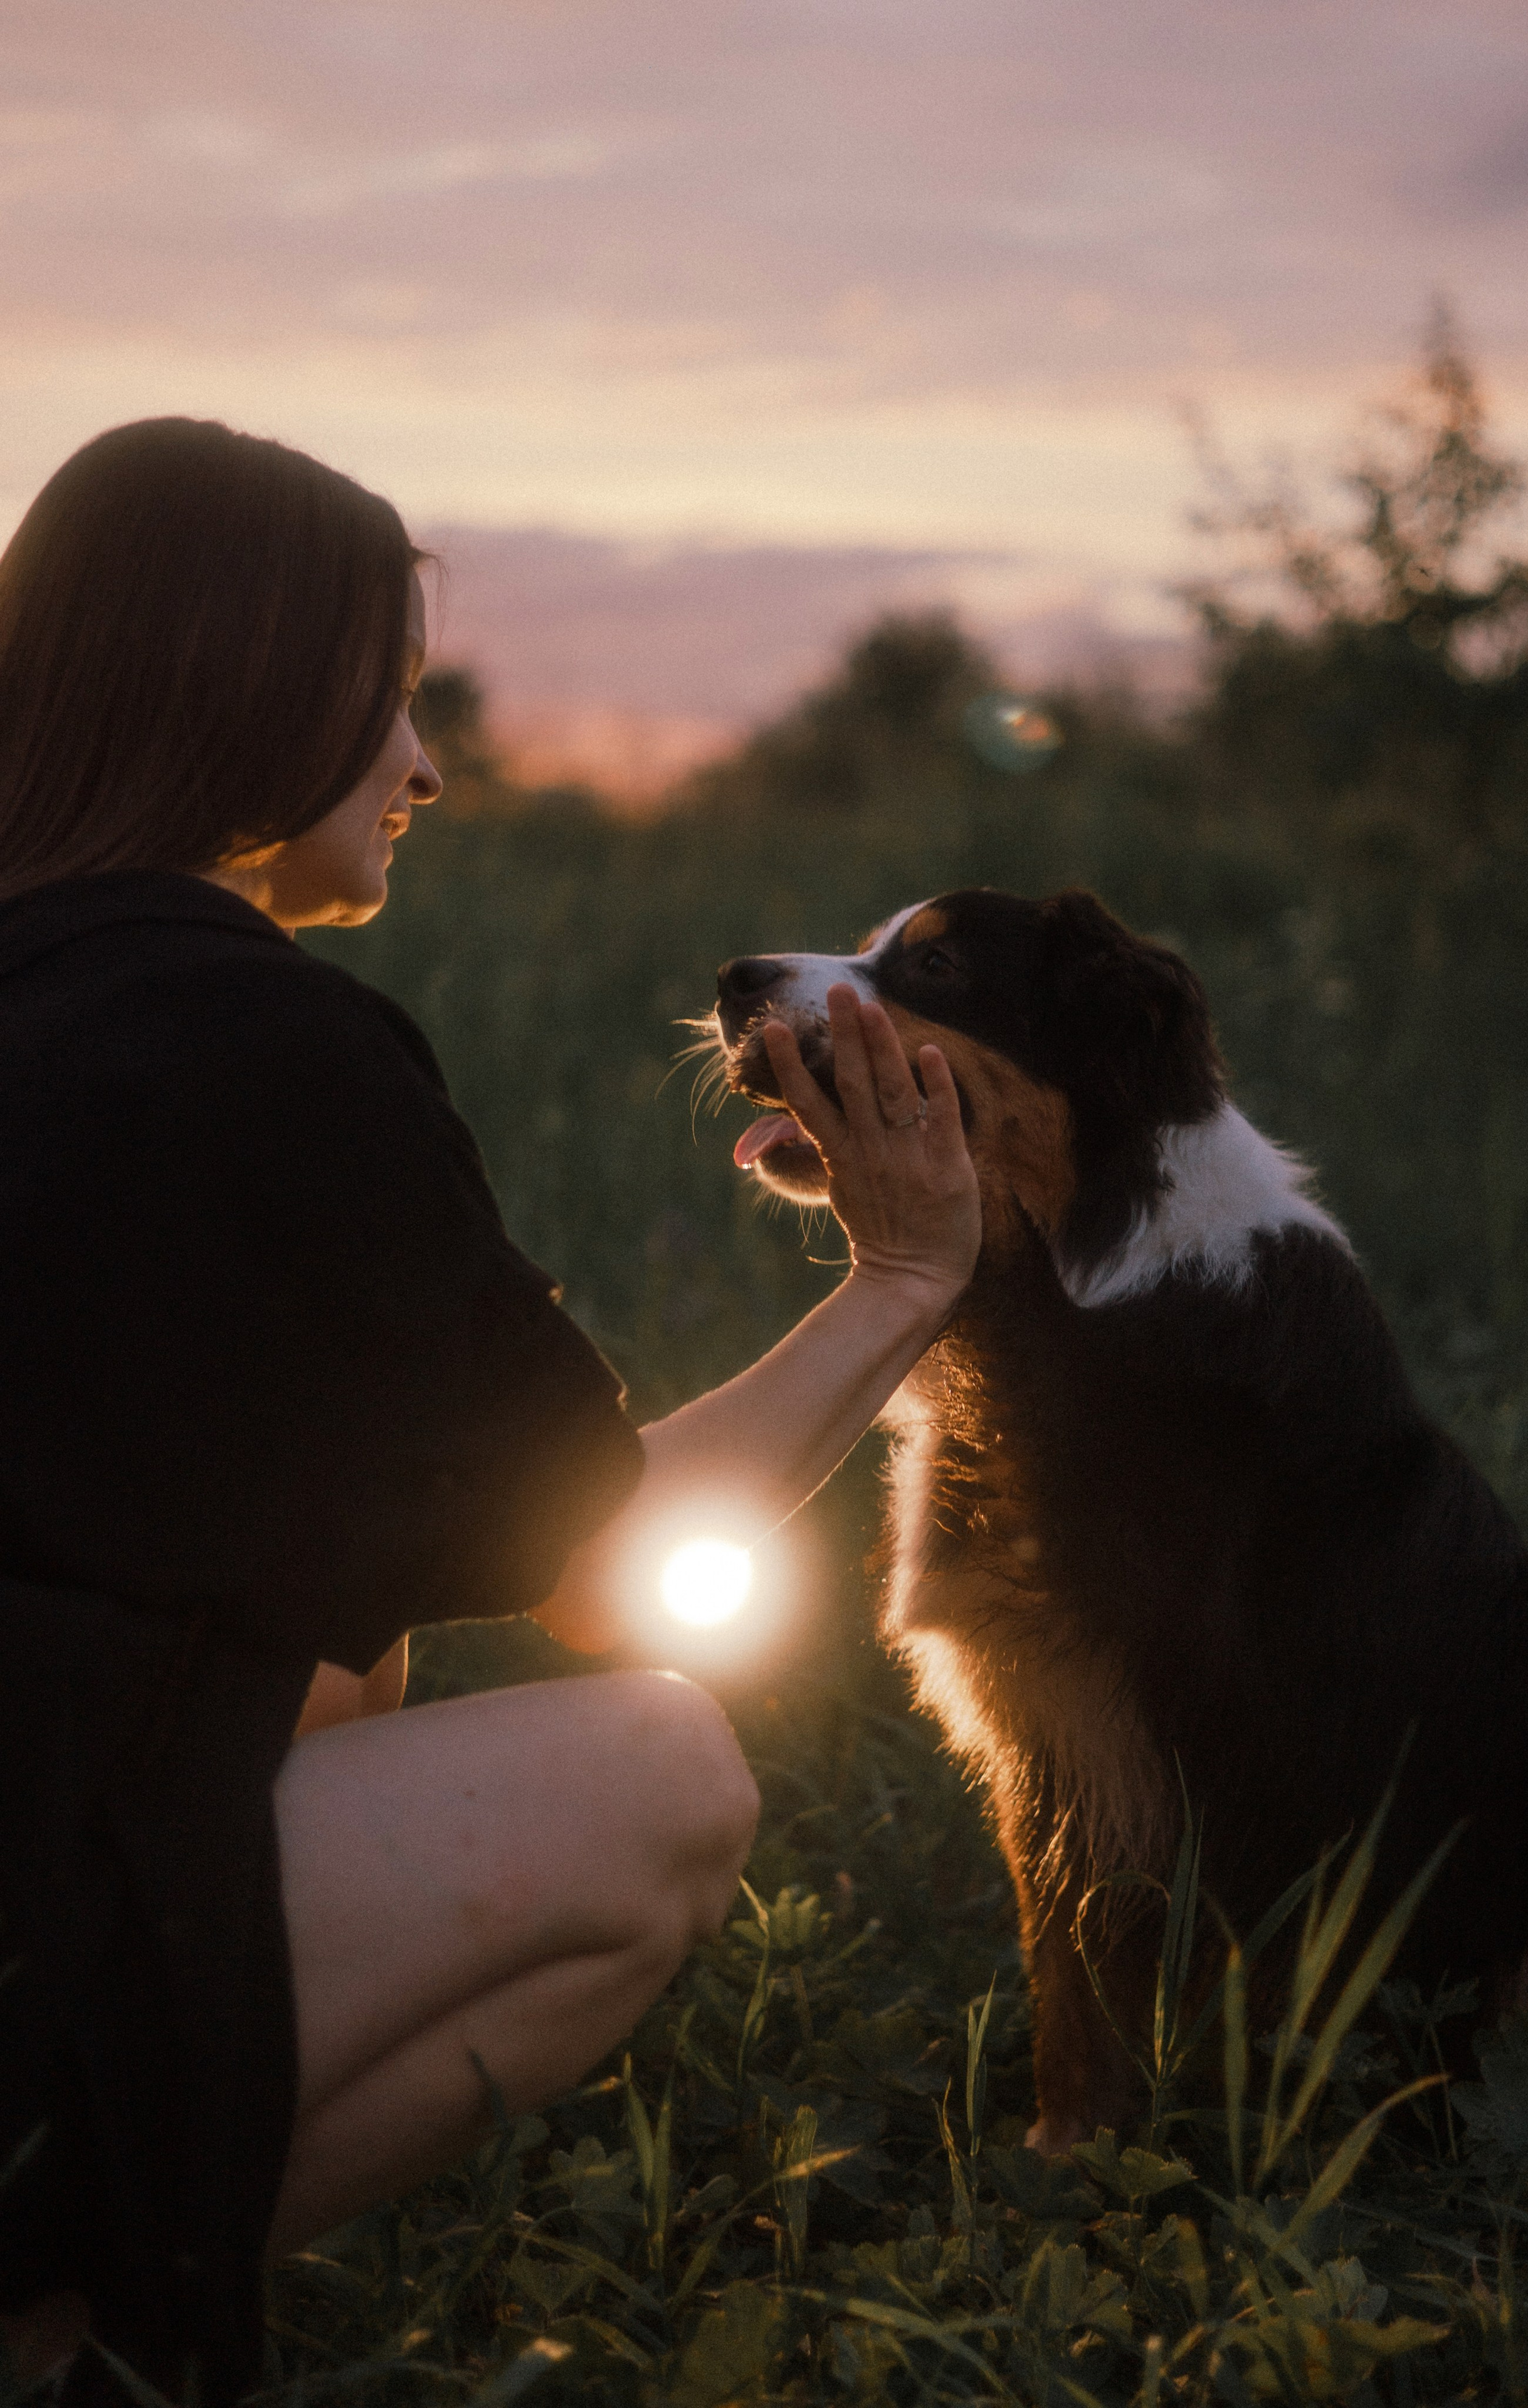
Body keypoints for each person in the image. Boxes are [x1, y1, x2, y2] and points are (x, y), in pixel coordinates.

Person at [0, 419, 981, 2405]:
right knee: (660, 1778)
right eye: (394, 697)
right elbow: (616, 1586)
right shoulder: (253, 1035)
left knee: (340, 1665)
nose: (427, 764)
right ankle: (62, 2336)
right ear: (251, 683)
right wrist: (904, 1280)